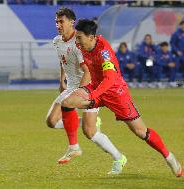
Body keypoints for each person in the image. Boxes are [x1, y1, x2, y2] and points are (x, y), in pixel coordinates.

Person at [61, 19, 183, 177]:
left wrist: (93, 95)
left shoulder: (104, 51)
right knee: (67, 102)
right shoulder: (82, 45)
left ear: (91, 37)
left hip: (115, 93)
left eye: (79, 38)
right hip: (96, 88)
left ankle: (169, 157)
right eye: (76, 37)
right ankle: (74, 146)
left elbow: (110, 79)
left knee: (141, 132)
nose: (77, 41)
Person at [46, 8, 126, 174]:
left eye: (61, 21)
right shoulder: (57, 41)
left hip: (87, 86)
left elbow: (88, 71)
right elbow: (63, 61)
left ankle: (119, 157)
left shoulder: (79, 42)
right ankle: (84, 125)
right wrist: (62, 79)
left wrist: (81, 91)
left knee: (90, 133)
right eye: (56, 22)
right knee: (51, 121)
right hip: (71, 87)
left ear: (71, 22)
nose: (58, 25)